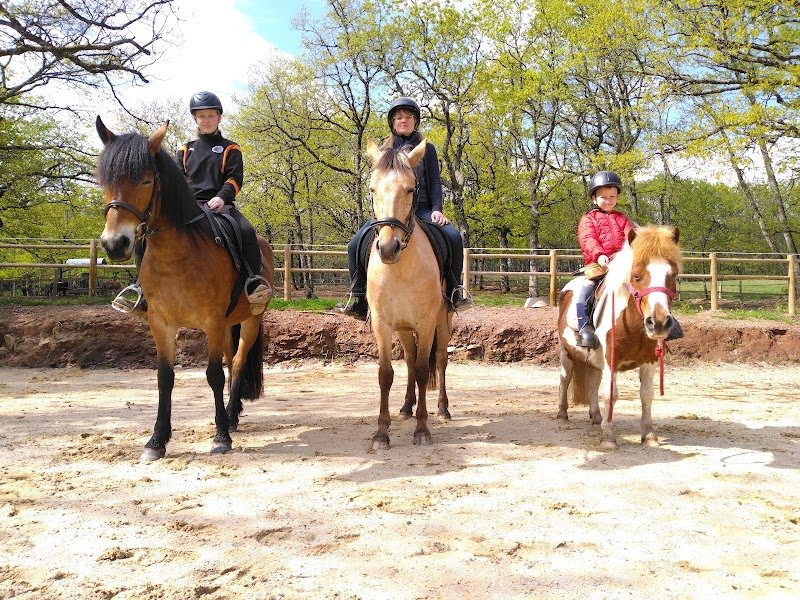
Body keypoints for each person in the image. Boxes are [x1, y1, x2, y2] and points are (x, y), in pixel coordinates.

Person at [342, 96, 472, 320]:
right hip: (390, 211)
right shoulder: (384, 151)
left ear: (415, 121)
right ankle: (358, 296)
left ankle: (454, 291)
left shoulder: (427, 149)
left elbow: (434, 181)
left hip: (421, 208)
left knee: (453, 237)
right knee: (355, 243)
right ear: (393, 122)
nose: (403, 120)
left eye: (408, 117)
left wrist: (437, 209)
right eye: (399, 117)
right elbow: (379, 186)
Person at [178, 91, 272, 314]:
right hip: (188, 208)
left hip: (220, 205)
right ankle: (141, 287)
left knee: (246, 231)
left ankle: (253, 283)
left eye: (211, 115)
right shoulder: (184, 149)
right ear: (195, 119)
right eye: (202, 116)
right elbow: (178, 180)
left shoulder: (231, 148)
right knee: (151, 231)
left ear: (219, 117)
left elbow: (234, 178)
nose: (206, 120)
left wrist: (221, 197)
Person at [575, 171, 682, 347]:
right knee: (585, 292)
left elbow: (632, 240)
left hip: (623, 265)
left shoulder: (622, 219)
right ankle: (585, 327)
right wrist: (599, 255)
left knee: (649, 287)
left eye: (612, 196)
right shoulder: (588, 219)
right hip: (598, 265)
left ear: (617, 197)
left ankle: (664, 319)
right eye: (603, 197)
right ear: (594, 198)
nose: (608, 200)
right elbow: (588, 239)